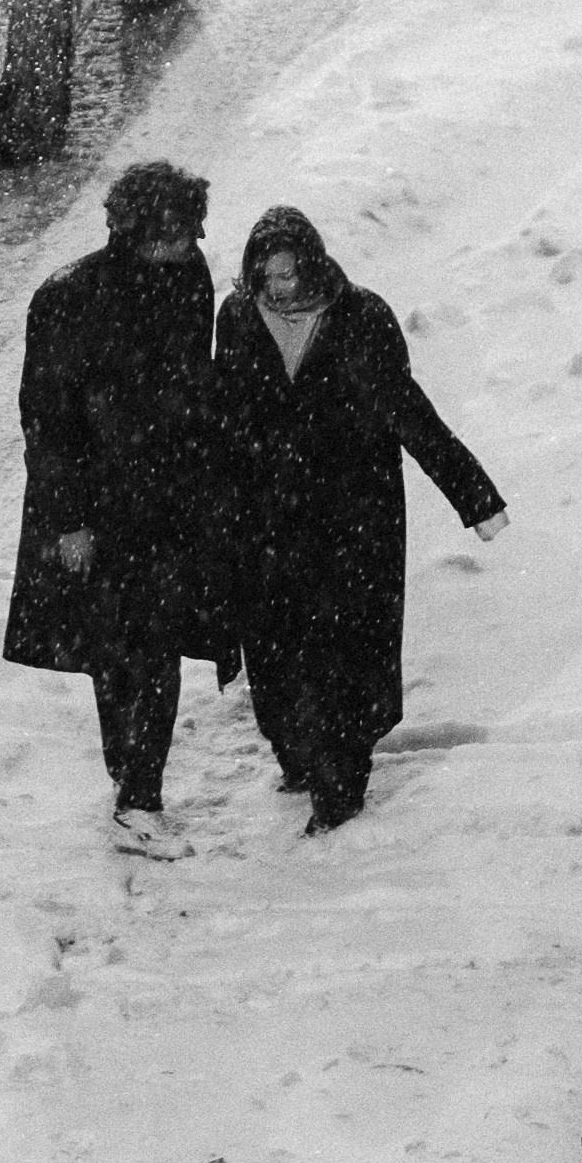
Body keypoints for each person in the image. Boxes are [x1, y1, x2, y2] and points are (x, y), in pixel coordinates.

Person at [217, 207, 506, 834]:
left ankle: (340, 783)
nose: (278, 288)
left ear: (312, 264)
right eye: (266, 275)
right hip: (269, 522)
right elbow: (228, 416)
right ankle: (297, 755)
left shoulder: (361, 317)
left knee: (345, 654)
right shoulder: (237, 318)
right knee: (275, 652)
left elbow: (405, 407)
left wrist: (473, 496)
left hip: (352, 518)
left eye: (289, 274)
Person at [3, 161, 233, 859]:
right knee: (113, 651)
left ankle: (141, 793)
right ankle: (128, 777)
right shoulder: (69, 298)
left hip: (167, 499)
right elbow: (46, 417)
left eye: (189, 236)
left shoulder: (190, 280)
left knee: (155, 645)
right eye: (169, 236)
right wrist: (70, 518)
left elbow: (190, 384)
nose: (182, 249)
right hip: (96, 505)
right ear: (131, 231)